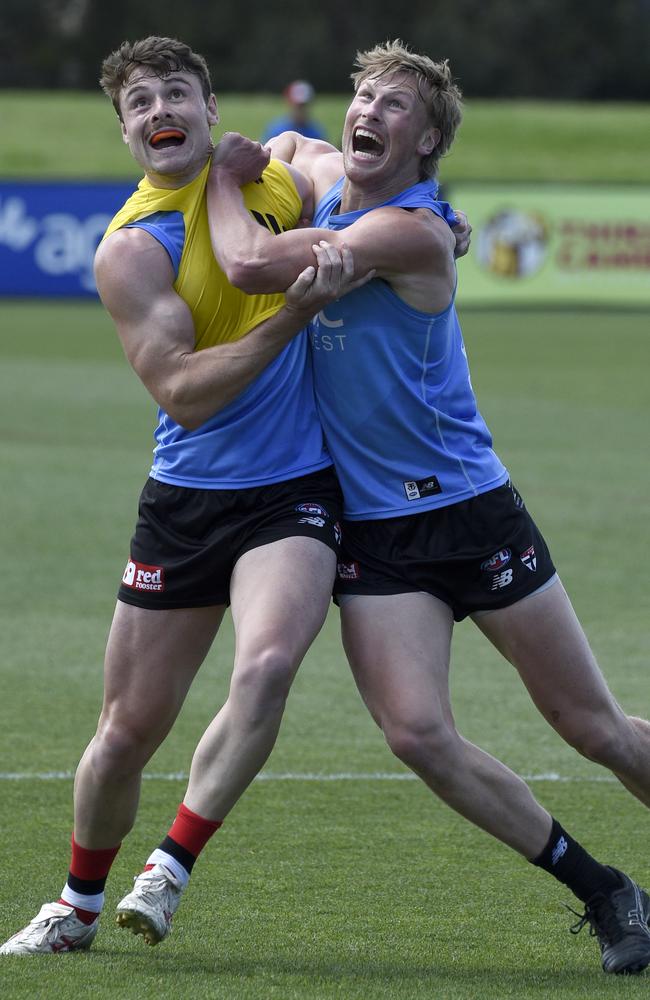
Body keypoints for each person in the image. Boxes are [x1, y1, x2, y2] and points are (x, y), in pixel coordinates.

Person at [204, 40, 650, 975]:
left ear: (429, 141)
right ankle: (606, 892)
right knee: (416, 733)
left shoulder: (410, 232)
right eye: (363, 95)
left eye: (395, 104)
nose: (368, 110)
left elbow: (246, 267)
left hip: (469, 510)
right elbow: (291, 143)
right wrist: (269, 154)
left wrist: (216, 175)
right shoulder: (333, 181)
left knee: (593, 727)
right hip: (374, 529)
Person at [0, 35, 377, 956]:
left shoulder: (278, 171)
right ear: (127, 132)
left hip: (293, 491)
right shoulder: (131, 248)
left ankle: (167, 870)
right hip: (186, 498)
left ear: (212, 110)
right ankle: (76, 905)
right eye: (140, 102)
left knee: (268, 665)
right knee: (124, 732)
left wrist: (436, 216)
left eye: (178, 92)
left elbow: (356, 178)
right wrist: (295, 311)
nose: (160, 109)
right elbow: (185, 392)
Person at [261, 79, 328, 144]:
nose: (301, 109)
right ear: (290, 103)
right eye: (298, 106)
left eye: (304, 105)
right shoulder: (276, 131)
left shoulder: (316, 132)